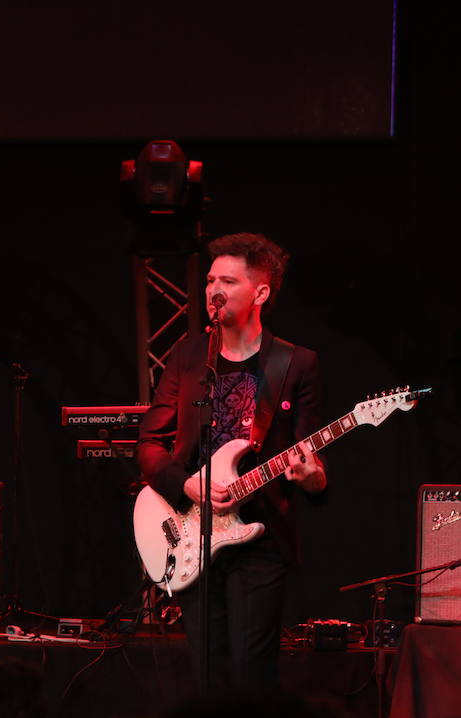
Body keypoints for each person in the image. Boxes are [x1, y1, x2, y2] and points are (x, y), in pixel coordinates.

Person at [137, 232, 325, 690]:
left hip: (258, 541)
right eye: (210, 280)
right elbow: (149, 444)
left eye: (229, 281)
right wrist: (186, 485)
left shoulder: (295, 364)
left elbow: (312, 465)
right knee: (207, 672)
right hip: (191, 529)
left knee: (250, 673)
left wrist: (310, 475)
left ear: (260, 292)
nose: (214, 290)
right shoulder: (186, 355)